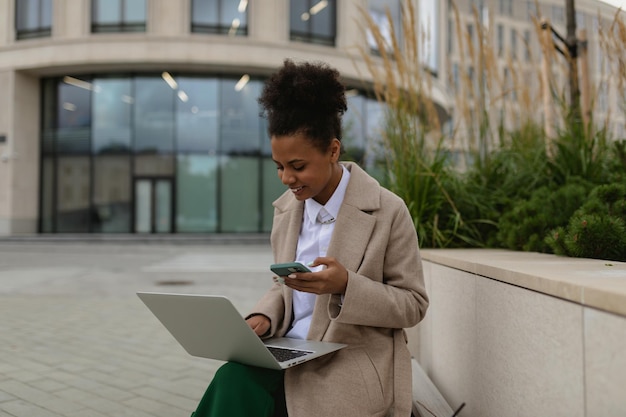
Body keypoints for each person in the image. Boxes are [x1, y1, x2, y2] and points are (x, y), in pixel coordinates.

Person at [191, 59, 429, 417]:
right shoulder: (287, 209)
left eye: (298, 166)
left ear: (333, 151)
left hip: (348, 361)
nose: (286, 178)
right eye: (279, 166)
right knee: (232, 379)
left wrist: (347, 285)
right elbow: (282, 284)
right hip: (287, 349)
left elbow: (413, 304)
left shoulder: (388, 211)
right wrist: (265, 317)